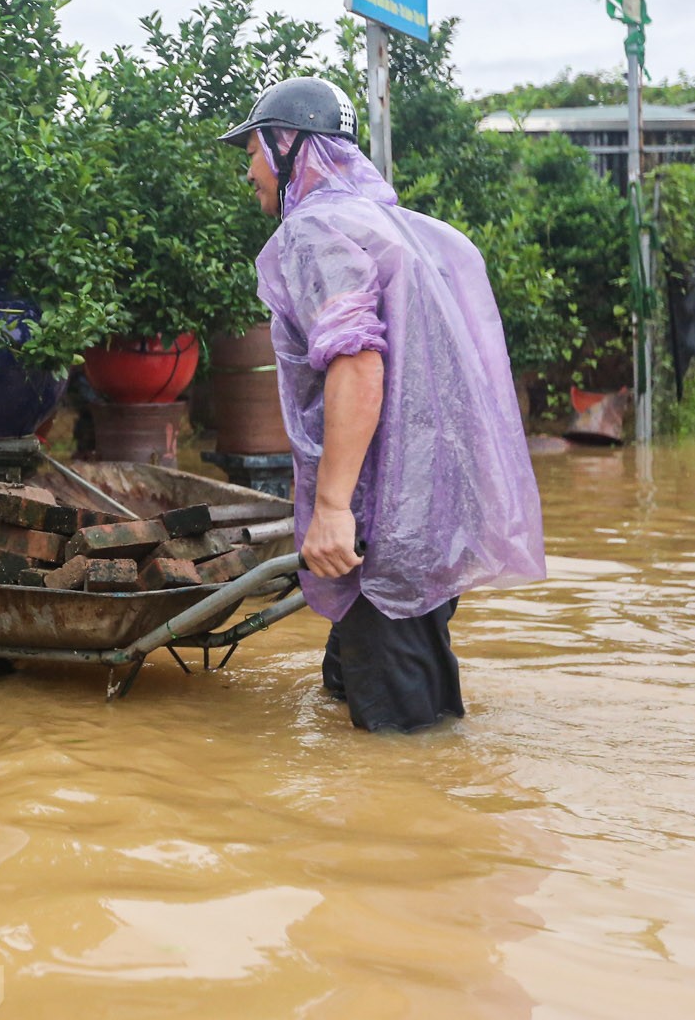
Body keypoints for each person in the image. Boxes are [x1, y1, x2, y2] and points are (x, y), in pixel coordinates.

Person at [221, 77, 545, 732]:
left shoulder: (314, 229)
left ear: (288, 147)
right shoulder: (403, 229)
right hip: (435, 504)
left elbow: (357, 360)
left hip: (381, 519)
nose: (248, 171)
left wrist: (335, 508)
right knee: (354, 684)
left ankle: (418, 830)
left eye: (252, 151)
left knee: (404, 739)